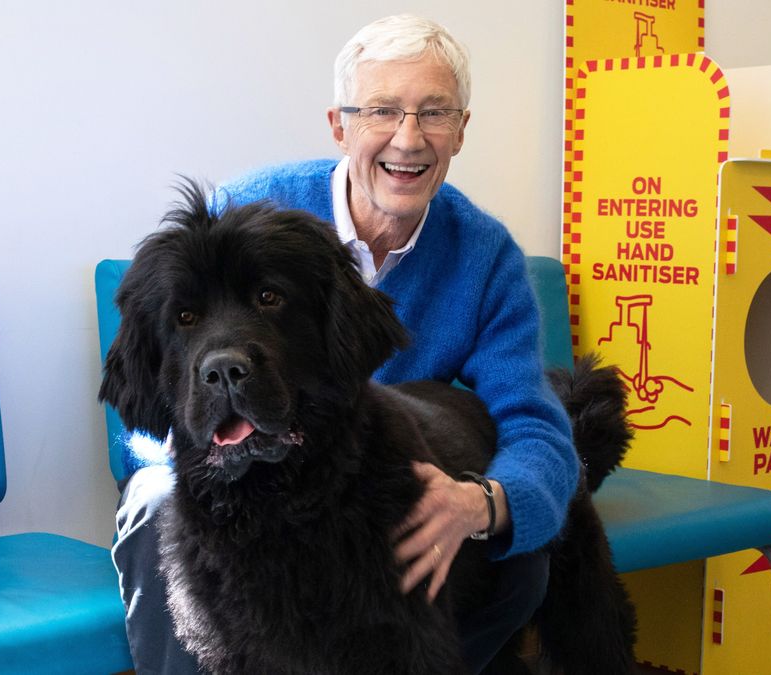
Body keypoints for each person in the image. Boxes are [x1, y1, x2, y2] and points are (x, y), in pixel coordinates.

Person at [112, 14, 579, 674]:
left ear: (461, 131)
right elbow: (146, 389)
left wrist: (481, 504)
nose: (407, 138)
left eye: (433, 113)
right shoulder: (245, 212)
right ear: (340, 125)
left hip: (360, 472)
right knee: (160, 506)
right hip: (216, 478)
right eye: (382, 110)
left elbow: (535, 425)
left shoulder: (485, 258)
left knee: (518, 556)